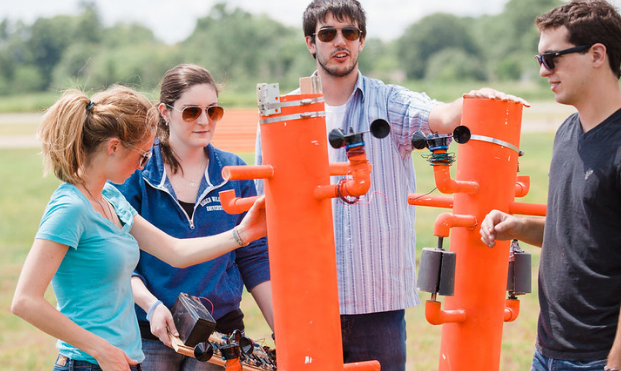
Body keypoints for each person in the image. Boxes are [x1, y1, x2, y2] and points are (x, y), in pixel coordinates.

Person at [252, 0, 528, 369]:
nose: (340, 42)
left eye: (350, 33)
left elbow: (440, 116)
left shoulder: (388, 102)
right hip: (308, 299)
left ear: (361, 41)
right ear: (310, 42)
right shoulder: (283, 115)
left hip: (375, 300)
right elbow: (268, 206)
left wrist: (476, 98)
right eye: (328, 33)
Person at [10, 85, 267, 371]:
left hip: (121, 361)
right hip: (88, 363)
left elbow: (174, 251)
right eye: (143, 155)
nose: (143, 165)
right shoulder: (71, 208)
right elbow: (25, 301)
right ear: (114, 147)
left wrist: (242, 234)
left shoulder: (110, 198)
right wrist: (101, 350)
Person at [479, 1, 621, 370]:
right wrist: (520, 226)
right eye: (540, 60)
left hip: (600, 358)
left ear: (596, 55)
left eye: (552, 58)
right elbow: (585, 233)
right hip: (549, 350)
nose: (543, 72)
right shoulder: (567, 133)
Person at [113, 64, 274, 371]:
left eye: (213, 111)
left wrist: (282, 329)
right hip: (152, 329)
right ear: (164, 111)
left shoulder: (233, 171)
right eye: (191, 112)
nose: (204, 121)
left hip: (219, 330)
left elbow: (253, 257)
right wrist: (152, 306)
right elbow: (121, 260)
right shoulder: (135, 171)